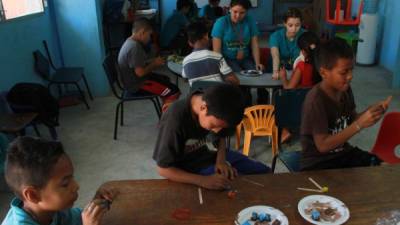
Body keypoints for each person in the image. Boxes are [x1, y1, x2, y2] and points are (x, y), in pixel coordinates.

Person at [153, 84, 270, 190]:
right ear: (203, 108)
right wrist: (202, 181)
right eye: (214, 126)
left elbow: (221, 137)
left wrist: (221, 161)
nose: (217, 131)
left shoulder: (220, 105)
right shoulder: (175, 120)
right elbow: (163, 169)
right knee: (234, 187)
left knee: (264, 172)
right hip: (187, 169)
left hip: (210, 156)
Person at [300, 38, 391, 171]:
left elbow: (351, 119)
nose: (350, 76)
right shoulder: (315, 100)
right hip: (318, 163)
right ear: (324, 72)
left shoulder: (345, 89)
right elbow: (323, 145)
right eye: (344, 72)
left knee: (384, 169)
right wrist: (359, 125)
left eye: (351, 70)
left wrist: (369, 113)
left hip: (343, 154)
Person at [1, 136, 116, 225]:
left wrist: (95, 207)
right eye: (65, 184)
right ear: (33, 195)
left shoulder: (50, 210)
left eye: (72, 178)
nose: (76, 186)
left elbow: (78, 217)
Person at [119, 18, 180, 111]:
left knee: (165, 80)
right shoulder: (134, 47)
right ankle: (167, 120)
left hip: (134, 81)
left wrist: (152, 61)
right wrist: (154, 64)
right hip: (137, 85)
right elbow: (140, 73)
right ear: (142, 32)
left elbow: (138, 64)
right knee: (174, 92)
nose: (150, 38)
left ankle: (165, 108)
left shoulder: (130, 41)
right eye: (149, 35)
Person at [211, 0, 263, 72]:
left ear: (247, 12)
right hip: (228, 58)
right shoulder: (221, 22)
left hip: (246, 58)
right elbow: (217, 51)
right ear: (230, 9)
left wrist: (257, 63)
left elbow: (255, 44)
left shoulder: (250, 20)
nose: (238, 16)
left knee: (256, 72)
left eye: (242, 13)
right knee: (239, 77)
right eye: (235, 12)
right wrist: (222, 68)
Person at [182, 21, 239, 86]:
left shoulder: (185, 61)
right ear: (206, 37)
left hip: (197, 94)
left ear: (190, 43)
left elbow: (185, 79)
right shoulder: (217, 57)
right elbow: (235, 81)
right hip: (216, 94)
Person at [270, 8, 305, 79]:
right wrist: (275, 71)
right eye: (290, 25)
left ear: (301, 23)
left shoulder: (306, 35)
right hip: (278, 66)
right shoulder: (276, 36)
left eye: (297, 25)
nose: (294, 29)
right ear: (284, 24)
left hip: (297, 70)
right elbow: (275, 55)